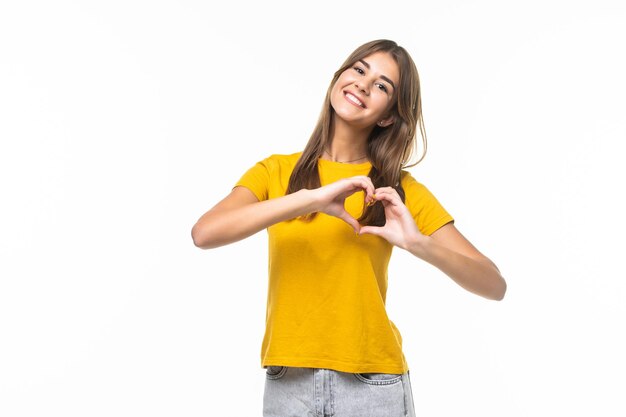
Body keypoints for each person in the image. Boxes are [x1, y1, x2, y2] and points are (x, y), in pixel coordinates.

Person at [191, 39, 506, 417]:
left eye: (382, 85)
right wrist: (311, 199)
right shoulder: (275, 172)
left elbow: (493, 284)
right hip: (288, 384)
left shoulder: (397, 190)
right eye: (359, 70)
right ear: (338, 77)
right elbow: (205, 233)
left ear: (388, 115)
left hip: (372, 386)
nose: (363, 84)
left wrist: (419, 244)